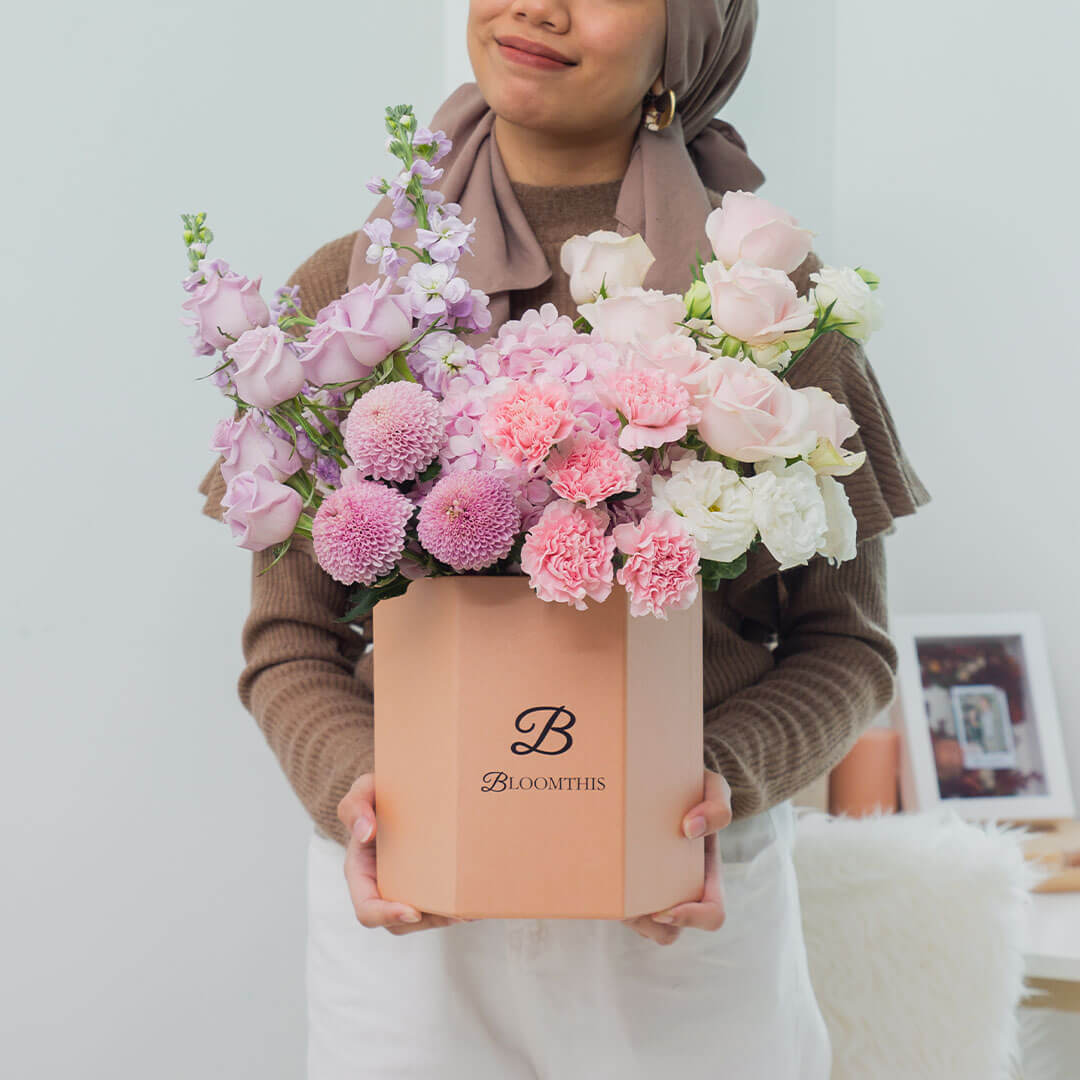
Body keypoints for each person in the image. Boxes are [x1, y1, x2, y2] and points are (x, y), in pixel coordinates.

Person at [197, 1, 932, 1076]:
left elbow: (848, 650)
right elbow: (288, 643)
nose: (537, 5)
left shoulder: (770, 310)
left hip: (678, 914)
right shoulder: (354, 299)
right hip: (417, 925)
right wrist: (360, 795)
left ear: (690, 33)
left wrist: (713, 781)